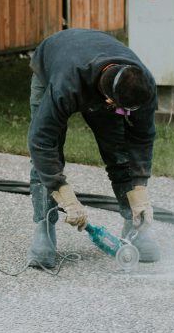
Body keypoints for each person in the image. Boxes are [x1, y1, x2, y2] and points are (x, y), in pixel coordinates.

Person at [26, 28, 160, 268]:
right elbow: (41, 141)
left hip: (96, 68)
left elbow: (141, 138)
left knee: (119, 152)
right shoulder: (66, 84)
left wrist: (139, 190)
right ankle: (44, 226)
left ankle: (135, 223)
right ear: (109, 101)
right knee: (50, 150)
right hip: (55, 66)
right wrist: (62, 192)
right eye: (123, 111)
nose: (127, 116)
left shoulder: (142, 84)